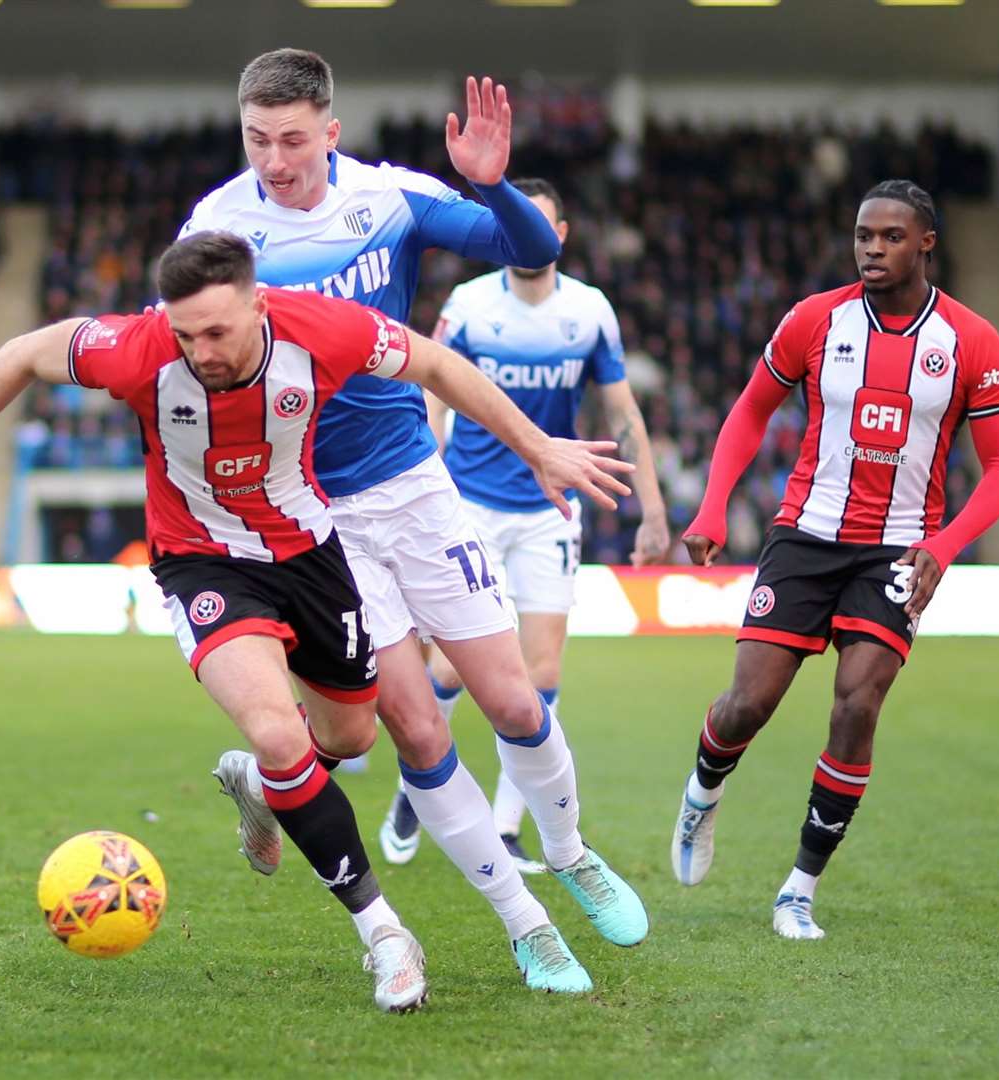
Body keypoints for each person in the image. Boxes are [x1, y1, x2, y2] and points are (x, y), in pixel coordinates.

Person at [0, 232, 632, 1009]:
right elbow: (20, 354)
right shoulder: (138, 349)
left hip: (311, 554)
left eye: (218, 332)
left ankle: (267, 787)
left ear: (258, 307)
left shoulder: (319, 329)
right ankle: (385, 935)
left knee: (351, 737)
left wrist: (535, 446)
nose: (202, 351)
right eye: (186, 333)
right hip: (204, 564)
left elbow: (433, 363)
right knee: (279, 732)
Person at [180, 48, 649, 991]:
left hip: (415, 487)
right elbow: (189, 349)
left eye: (293, 140)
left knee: (515, 701)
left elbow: (531, 252)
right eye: (257, 139)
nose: (274, 160)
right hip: (313, 515)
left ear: (332, 132)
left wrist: (495, 185)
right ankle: (525, 927)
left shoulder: (390, 198)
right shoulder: (219, 227)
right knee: (416, 733)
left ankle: (569, 853)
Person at [669, 180, 999, 939]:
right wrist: (711, 504)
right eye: (863, 235)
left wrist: (945, 546)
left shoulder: (971, 342)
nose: (871, 248)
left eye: (891, 236)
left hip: (898, 547)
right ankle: (703, 791)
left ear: (926, 242)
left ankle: (798, 888)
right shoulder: (814, 320)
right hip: (806, 535)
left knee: (858, 704)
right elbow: (753, 408)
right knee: (747, 706)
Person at [381, 178, 669, 875]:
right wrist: (435, 473)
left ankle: (507, 827)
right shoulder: (470, 306)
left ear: (561, 235)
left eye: (540, 226)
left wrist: (653, 508)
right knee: (449, 664)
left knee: (540, 671)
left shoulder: (590, 313)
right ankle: (413, 789)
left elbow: (622, 411)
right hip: (472, 503)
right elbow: (433, 388)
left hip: (549, 510)